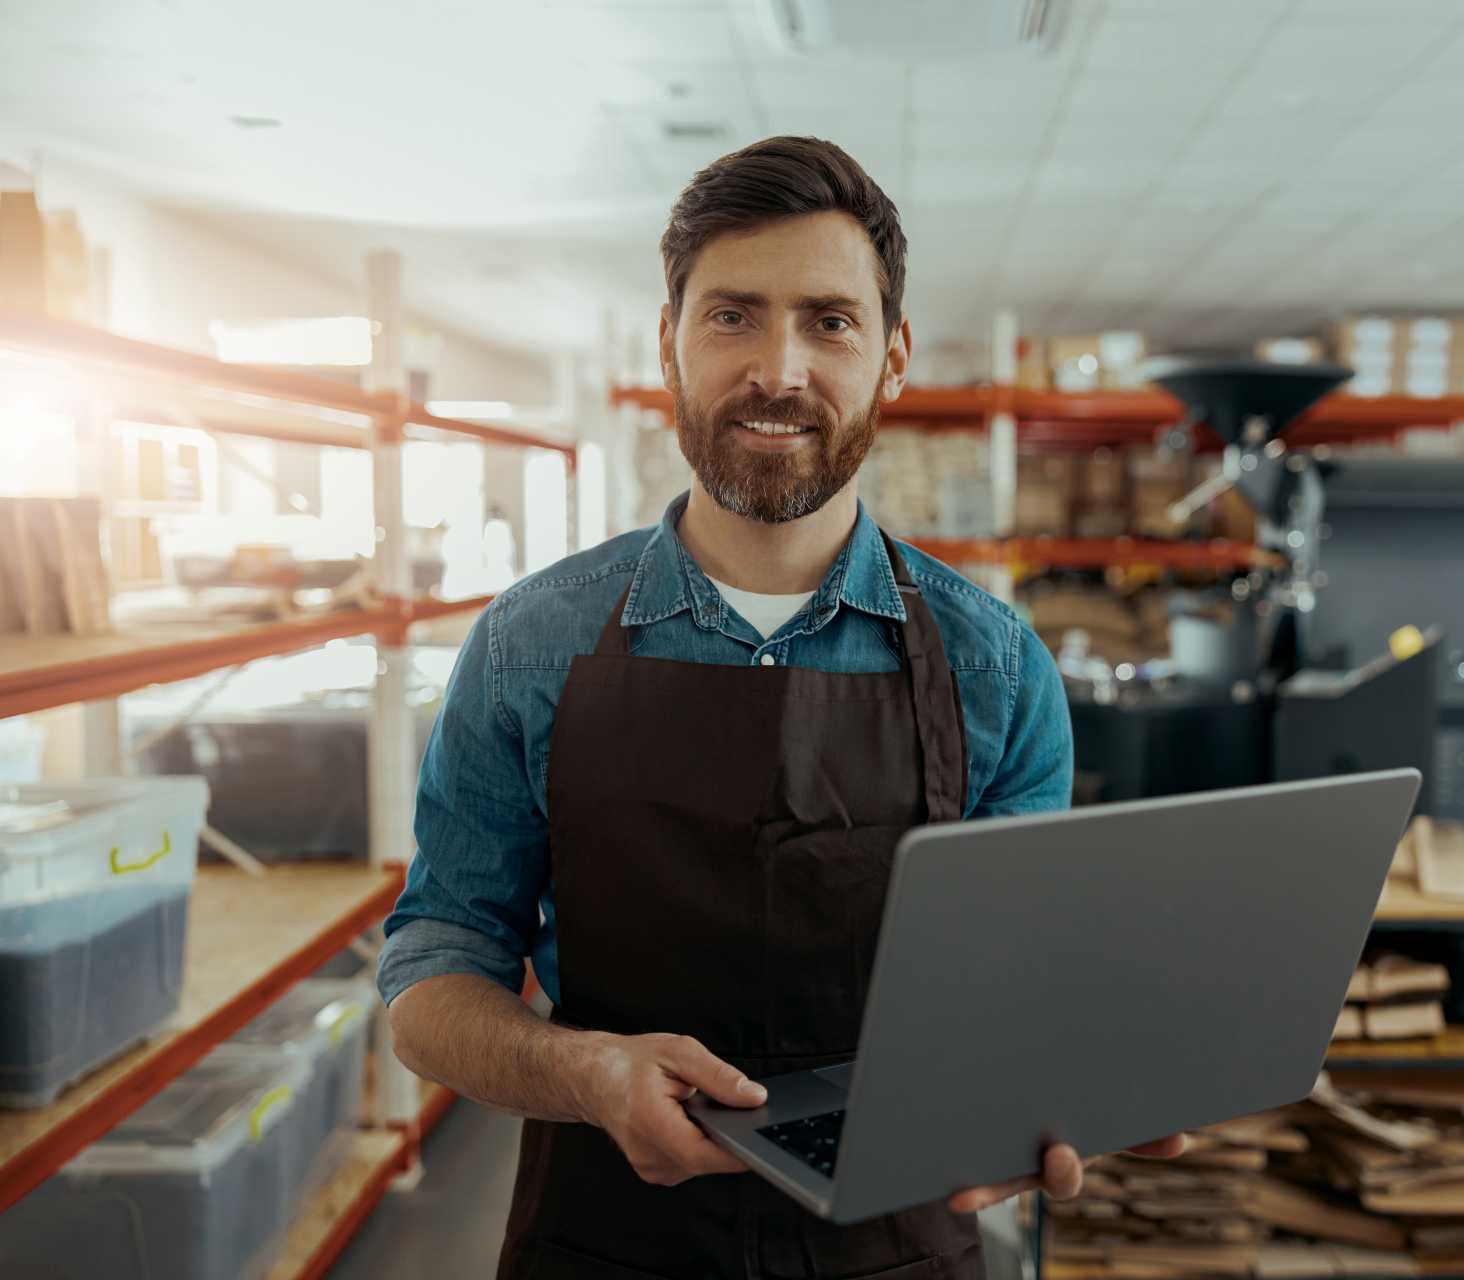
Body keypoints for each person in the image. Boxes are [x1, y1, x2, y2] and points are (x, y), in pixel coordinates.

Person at [377, 136, 1183, 1280]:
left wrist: (1039, 1099)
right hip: (601, 1239)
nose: (779, 368)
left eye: (830, 321)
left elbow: (1016, 995)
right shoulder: (529, 645)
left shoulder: (995, 667)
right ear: (668, 343)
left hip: (897, 1244)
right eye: (732, 317)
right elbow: (432, 975)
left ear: (893, 358)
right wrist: (587, 1073)